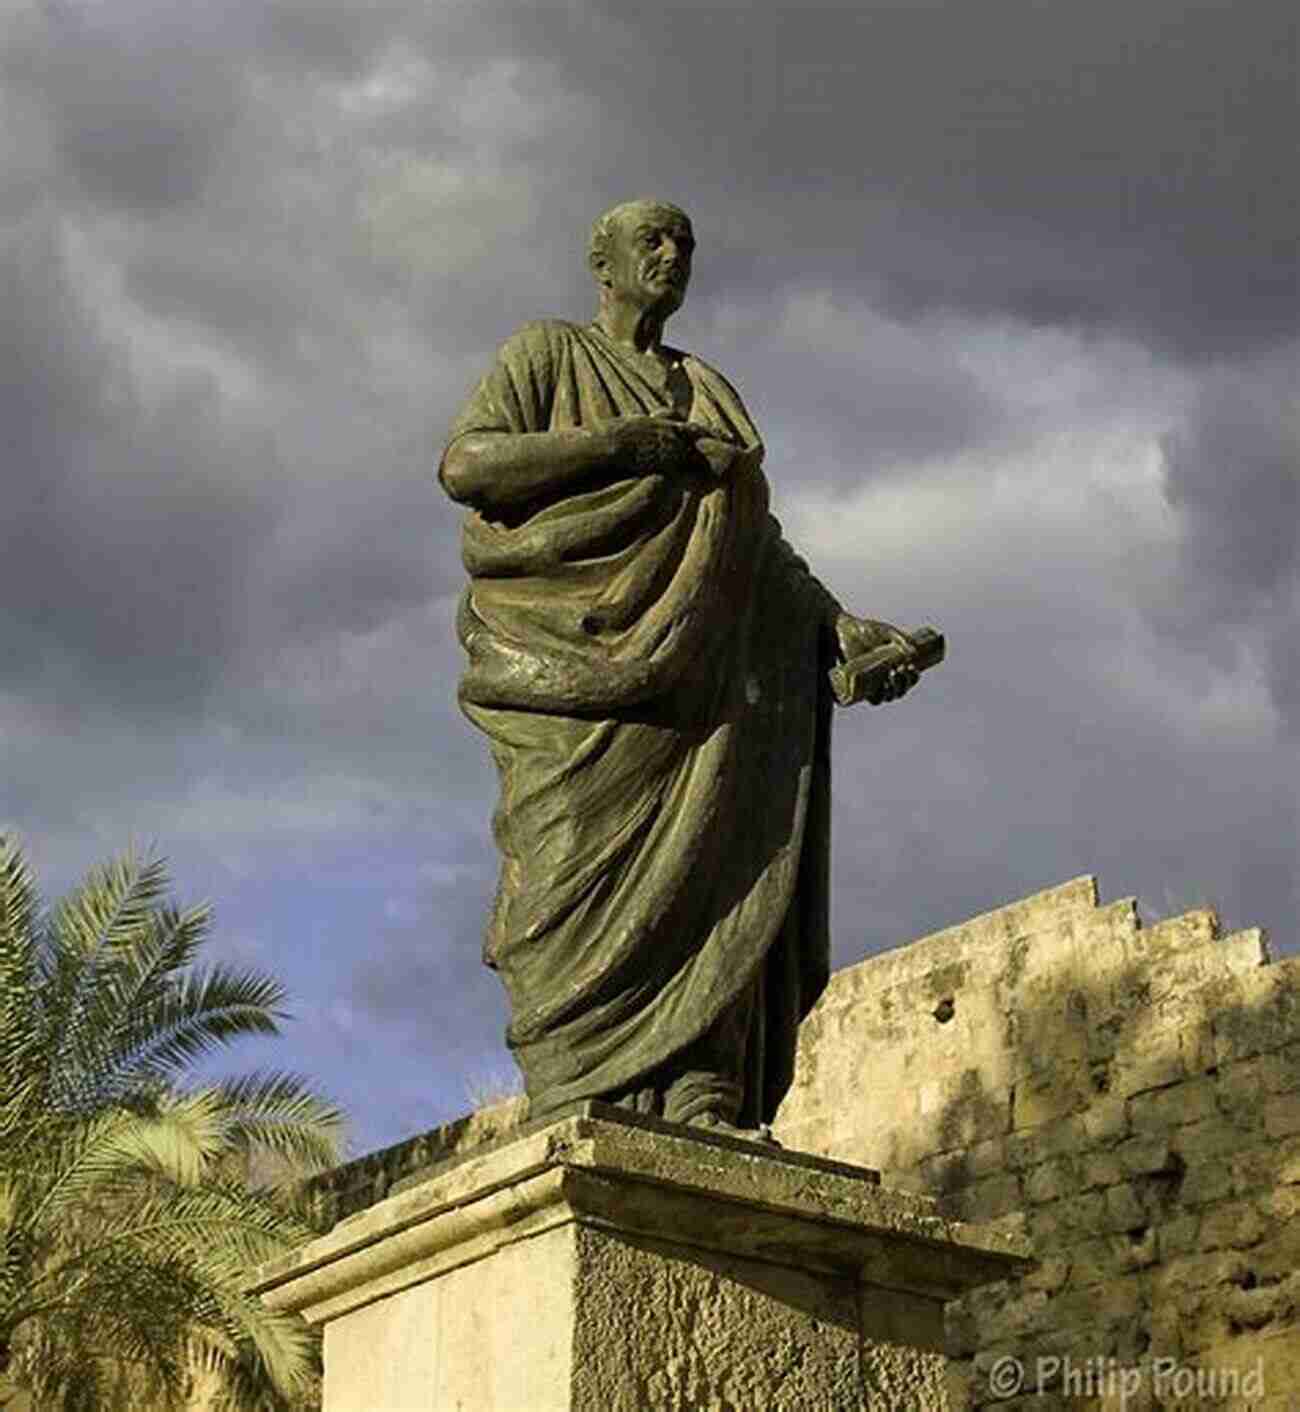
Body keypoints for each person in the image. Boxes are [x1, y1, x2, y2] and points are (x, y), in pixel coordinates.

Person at [438, 198, 920, 1135]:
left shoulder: (706, 389)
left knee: (714, 863)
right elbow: (469, 467)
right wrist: (616, 446)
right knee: (565, 859)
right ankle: (578, 1082)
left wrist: (838, 627)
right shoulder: (545, 354)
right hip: (572, 673)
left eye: (685, 244)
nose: (672, 256)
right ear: (601, 260)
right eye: (652, 241)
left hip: (706, 691)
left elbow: (751, 543)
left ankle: (701, 1088)